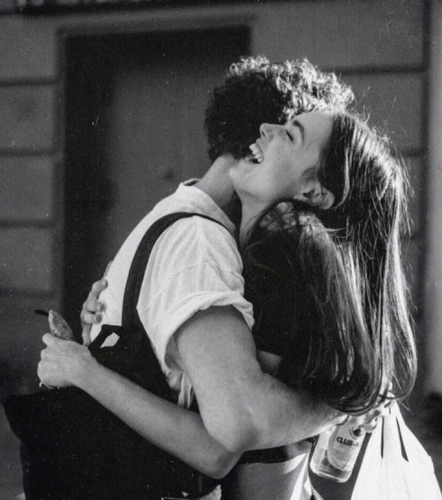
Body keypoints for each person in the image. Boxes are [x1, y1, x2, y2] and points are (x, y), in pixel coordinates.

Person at [38, 56, 417, 499]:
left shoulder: (237, 246)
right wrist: (342, 403)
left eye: (289, 132)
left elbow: (229, 431)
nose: (267, 133)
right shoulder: (205, 242)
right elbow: (230, 430)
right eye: (281, 125)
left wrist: (85, 366)